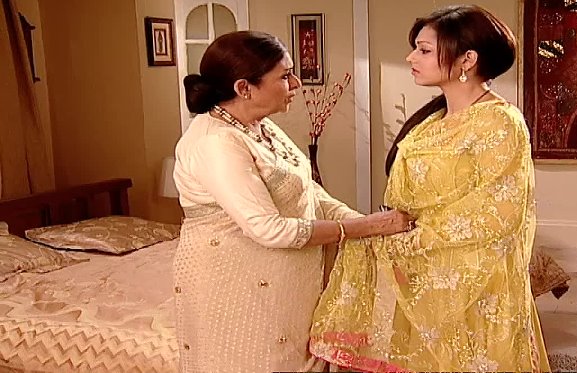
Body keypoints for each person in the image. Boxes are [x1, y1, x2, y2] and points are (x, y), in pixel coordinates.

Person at [310, 5, 551, 372]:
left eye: (423, 50)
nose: (411, 57)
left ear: (467, 59)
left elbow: (499, 211)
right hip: (423, 273)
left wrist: (408, 240)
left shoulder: (500, 122)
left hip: (472, 278)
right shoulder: (431, 122)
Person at [171, 30, 415, 373]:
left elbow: (310, 193)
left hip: (287, 286)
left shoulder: (260, 126)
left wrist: (372, 226)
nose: (297, 83)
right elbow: (268, 229)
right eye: (285, 76)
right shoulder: (215, 142)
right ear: (244, 88)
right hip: (237, 289)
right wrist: (362, 227)